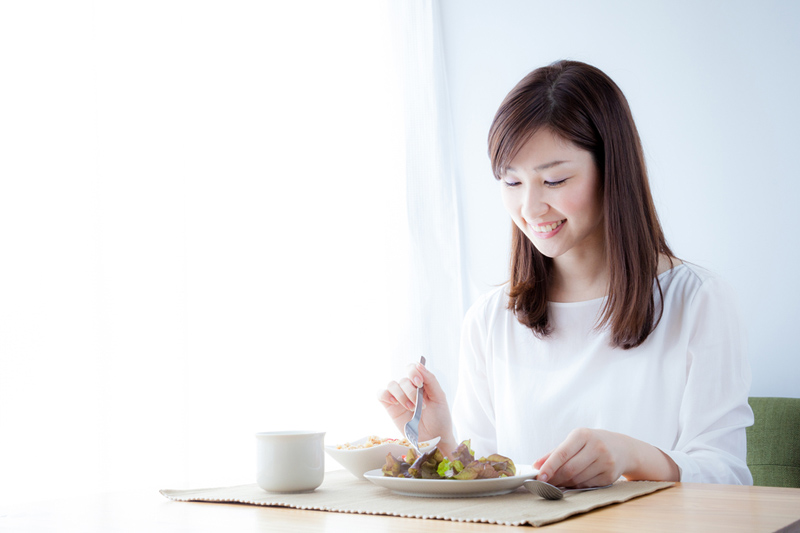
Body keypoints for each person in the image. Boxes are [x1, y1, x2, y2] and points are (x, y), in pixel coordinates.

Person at [378, 60, 753, 487]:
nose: (530, 209)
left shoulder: (697, 301)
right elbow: (493, 483)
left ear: (612, 170)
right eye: (511, 182)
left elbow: (729, 478)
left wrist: (633, 456)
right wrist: (443, 445)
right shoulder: (491, 319)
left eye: (554, 180)